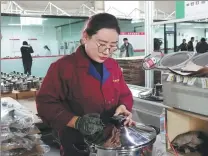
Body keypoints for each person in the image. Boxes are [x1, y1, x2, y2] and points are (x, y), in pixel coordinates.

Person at [36, 13, 134, 156]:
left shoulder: (113, 65)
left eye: (112, 46)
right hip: (77, 143)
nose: (107, 51)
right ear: (85, 37)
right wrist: (77, 122)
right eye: (101, 44)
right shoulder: (63, 67)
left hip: (111, 139)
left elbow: (124, 94)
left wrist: (123, 106)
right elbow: (45, 104)